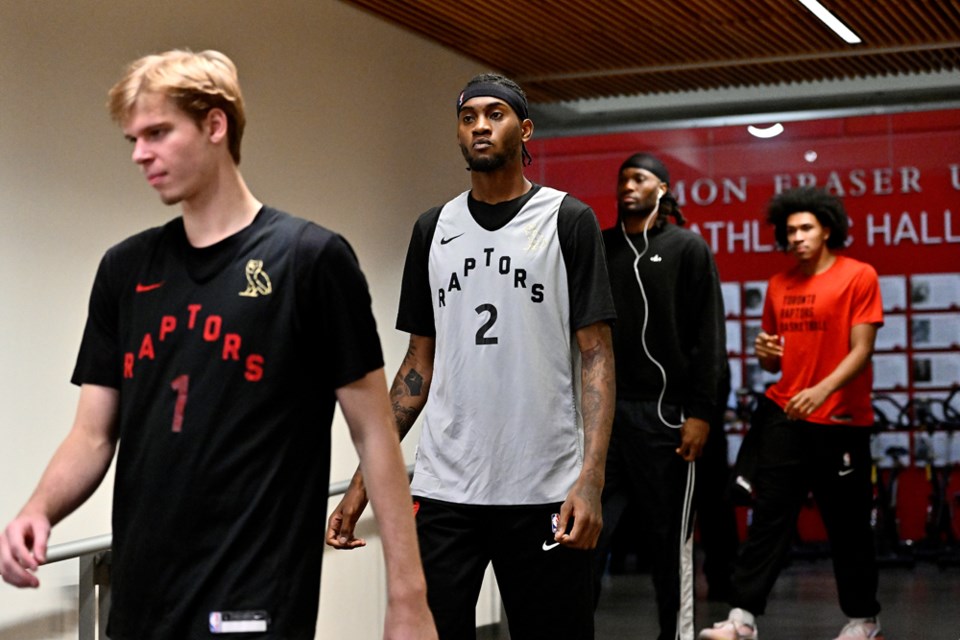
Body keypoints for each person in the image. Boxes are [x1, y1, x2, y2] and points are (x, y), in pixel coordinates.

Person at [0, 49, 436, 640]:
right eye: (133, 138)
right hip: (141, 601)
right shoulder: (125, 271)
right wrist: (37, 509)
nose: (140, 154)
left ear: (214, 124)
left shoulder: (310, 261)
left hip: (255, 598)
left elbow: (374, 432)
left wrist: (408, 598)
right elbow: (94, 433)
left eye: (157, 132)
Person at [327, 73, 617, 639]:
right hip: (446, 490)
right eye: (468, 117)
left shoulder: (567, 220)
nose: (480, 125)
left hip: (544, 486)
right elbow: (417, 365)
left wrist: (591, 478)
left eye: (495, 114)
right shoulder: (433, 229)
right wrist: (363, 480)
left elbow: (597, 357)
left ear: (524, 128)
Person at [699, 187, 884, 640]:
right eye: (790, 231)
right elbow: (773, 361)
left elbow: (862, 351)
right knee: (768, 518)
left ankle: (864, 621)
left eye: (806, 228)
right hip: (787, 414)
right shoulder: (780, 285)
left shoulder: (858, 276)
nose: (797, 237)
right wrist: (765, 353)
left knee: (848, 527)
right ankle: (743, 617)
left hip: (840, 421)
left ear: (827, 229)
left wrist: (821, 390)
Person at [592, 153, 726, 640]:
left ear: (663, 190)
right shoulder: (600, 248)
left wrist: (701, 414)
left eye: (640, 178)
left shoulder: (687, 248)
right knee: (588, 532)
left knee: (669, 542)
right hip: (604, 419)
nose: (629, 185)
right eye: (623, 178)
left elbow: (708, 337)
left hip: (666, 418)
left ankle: (678, 634)